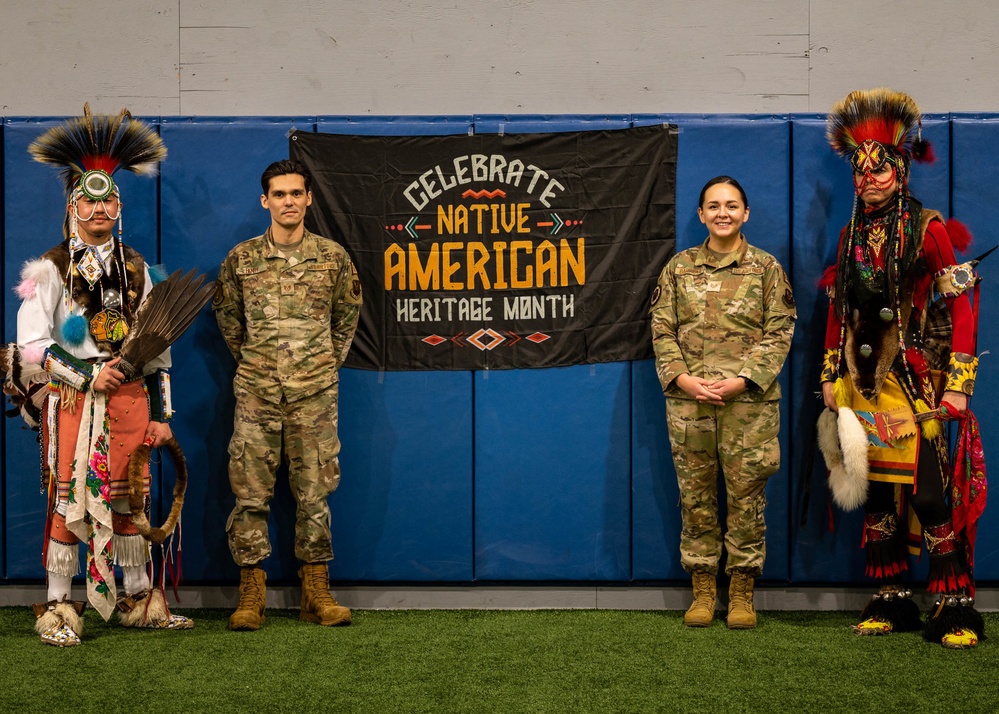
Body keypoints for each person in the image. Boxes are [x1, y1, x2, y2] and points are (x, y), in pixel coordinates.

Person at [13, 105, 193, 646]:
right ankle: (60, 606)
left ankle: (138, 598)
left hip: (132, 403)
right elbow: (31, 346)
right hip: (74, 402)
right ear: (72, 206)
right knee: (70, 500)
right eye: (89, 199)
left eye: (109, 199)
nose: (100, 208)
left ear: (120, 206)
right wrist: (86, 374)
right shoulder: (49, 268)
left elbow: (159, 355)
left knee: (128, 498)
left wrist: (163, 417)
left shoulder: (140, 270)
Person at [818, 88, 986, 648]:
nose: (868, 179)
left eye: (879, 170)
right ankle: (891, 599)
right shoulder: (849, 238)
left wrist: (959, 385)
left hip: (916, 381)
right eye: (860, 171)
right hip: (861, 384)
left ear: (900, 171)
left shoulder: (927, 228)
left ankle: (954, 604)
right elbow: (838, 312)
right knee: (877, 493)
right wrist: (827, 376)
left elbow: (962, 301)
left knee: (928, 494)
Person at [214, 159, 362, 630]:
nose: (289, 202)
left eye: (296, 193)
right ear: (265, 201)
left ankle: (316, 591)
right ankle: (251, 593)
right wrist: (261, 365)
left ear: (309, 198)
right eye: (279, 194)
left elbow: (346, 320)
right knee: (250, 494)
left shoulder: (333, 259)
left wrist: (318, 365)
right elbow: (231, 324)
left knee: (315, 494)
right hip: (257, 392)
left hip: (315, 394)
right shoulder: (240, 260)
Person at [650, 176, 796, 629]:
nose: (723, 213)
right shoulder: (678, 268)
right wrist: (684, 380)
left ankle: (741, 593)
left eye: (732, 205)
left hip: (748, 408)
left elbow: (780, 333)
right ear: (701, 215)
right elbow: (661, 329)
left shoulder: (767, 269)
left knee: (747, 501)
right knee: (695, 499)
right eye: (713, 206)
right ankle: (701, 589)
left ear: (745, 213)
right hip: (690, 405)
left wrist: (741, 382)